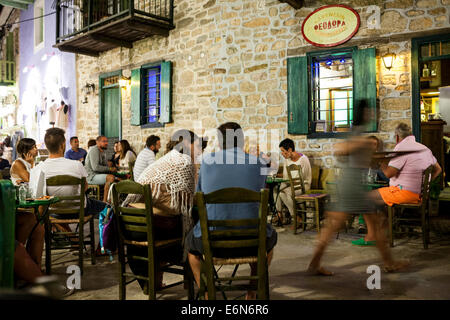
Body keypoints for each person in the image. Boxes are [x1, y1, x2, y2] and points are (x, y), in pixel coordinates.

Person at [308, 101, 409, 276]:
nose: (374, 115)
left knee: (355, 225)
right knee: (348, 225)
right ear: (364, 113)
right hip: (352, 186)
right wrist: (362, 146)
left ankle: (315, 264)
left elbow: (359, 159)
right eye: (371, 112)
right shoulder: (356, 134)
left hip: (353, 184)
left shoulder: (360, 134)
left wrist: (375, 156)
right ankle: (389, 263)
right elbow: (340, 151)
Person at [186, 122, 277, 300]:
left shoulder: (206, 163)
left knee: (191, 252)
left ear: (219, 143)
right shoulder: (259, 164)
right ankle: (252, 292)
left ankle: (206, 294)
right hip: (251, 241)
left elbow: (199, 196)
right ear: (242, 142)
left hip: (213, 241)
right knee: (269, 243)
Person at [123, 129, 200, 292]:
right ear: (186, 143)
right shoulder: (184, 160)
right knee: (196, 227)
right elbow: (188, 202)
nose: (199, 151)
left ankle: (152, 281)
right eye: (197, 146)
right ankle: (197, 279)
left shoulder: (167, 158)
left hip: (130, 225)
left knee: (181, 219)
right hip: (151, 227)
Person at [359, 123, 442, 246]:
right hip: (419, 194)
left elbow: (388, 174)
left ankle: (372, 236)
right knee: (379, 197)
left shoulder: (402, 148)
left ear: (397, 137)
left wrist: (381, 162)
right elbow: (438, 169)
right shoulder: (425, 148)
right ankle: (383, 230)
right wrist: (426, 187)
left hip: (404, 193)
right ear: (411, 135)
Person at [33, 128, 108, 232]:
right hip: (79, 210)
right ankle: (104, 246)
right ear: (63, 145)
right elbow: (85, 187)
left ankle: (69, 237)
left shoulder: (39, 168)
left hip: (53, 212)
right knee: (108, 209)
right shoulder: (76, 165)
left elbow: (39, 197)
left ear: (46, 146)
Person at [274, 138, 312, 225]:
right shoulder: (287, 160)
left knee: (283, 193)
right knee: (276, 189)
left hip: (303, 185)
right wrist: (278, 176)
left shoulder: (303, 159)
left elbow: (304, 178)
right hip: (290, 184)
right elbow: (286, 176)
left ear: (290, 150)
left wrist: (288, 184)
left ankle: (296, 217)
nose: (282, 154)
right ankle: (280, 215)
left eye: (283, 151)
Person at [85, 135, 117, 203]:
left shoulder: (102, 151)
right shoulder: (94, 150)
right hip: (91, 176)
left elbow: (105, 166)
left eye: (107, 141)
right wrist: (110, 169)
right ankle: (105, 202)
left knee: (116, 178)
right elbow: (95, 167)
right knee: (110, 178)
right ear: (97, 142)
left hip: (97, 174)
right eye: (104, 141)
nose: (106, 143)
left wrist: (111, 168)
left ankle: (112, 201)